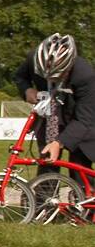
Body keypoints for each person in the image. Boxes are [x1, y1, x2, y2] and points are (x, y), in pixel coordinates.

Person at [13, 33, 94, 172]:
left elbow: (84, 119)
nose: (50, 79)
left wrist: (60, 142)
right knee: (47, 163)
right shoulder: (34, 58)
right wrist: (26, 90)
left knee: (79, 168)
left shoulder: (85, 75)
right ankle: (44, 192)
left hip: (80, 119)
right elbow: (20, 76)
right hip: (50, 115)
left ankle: (83, 191)